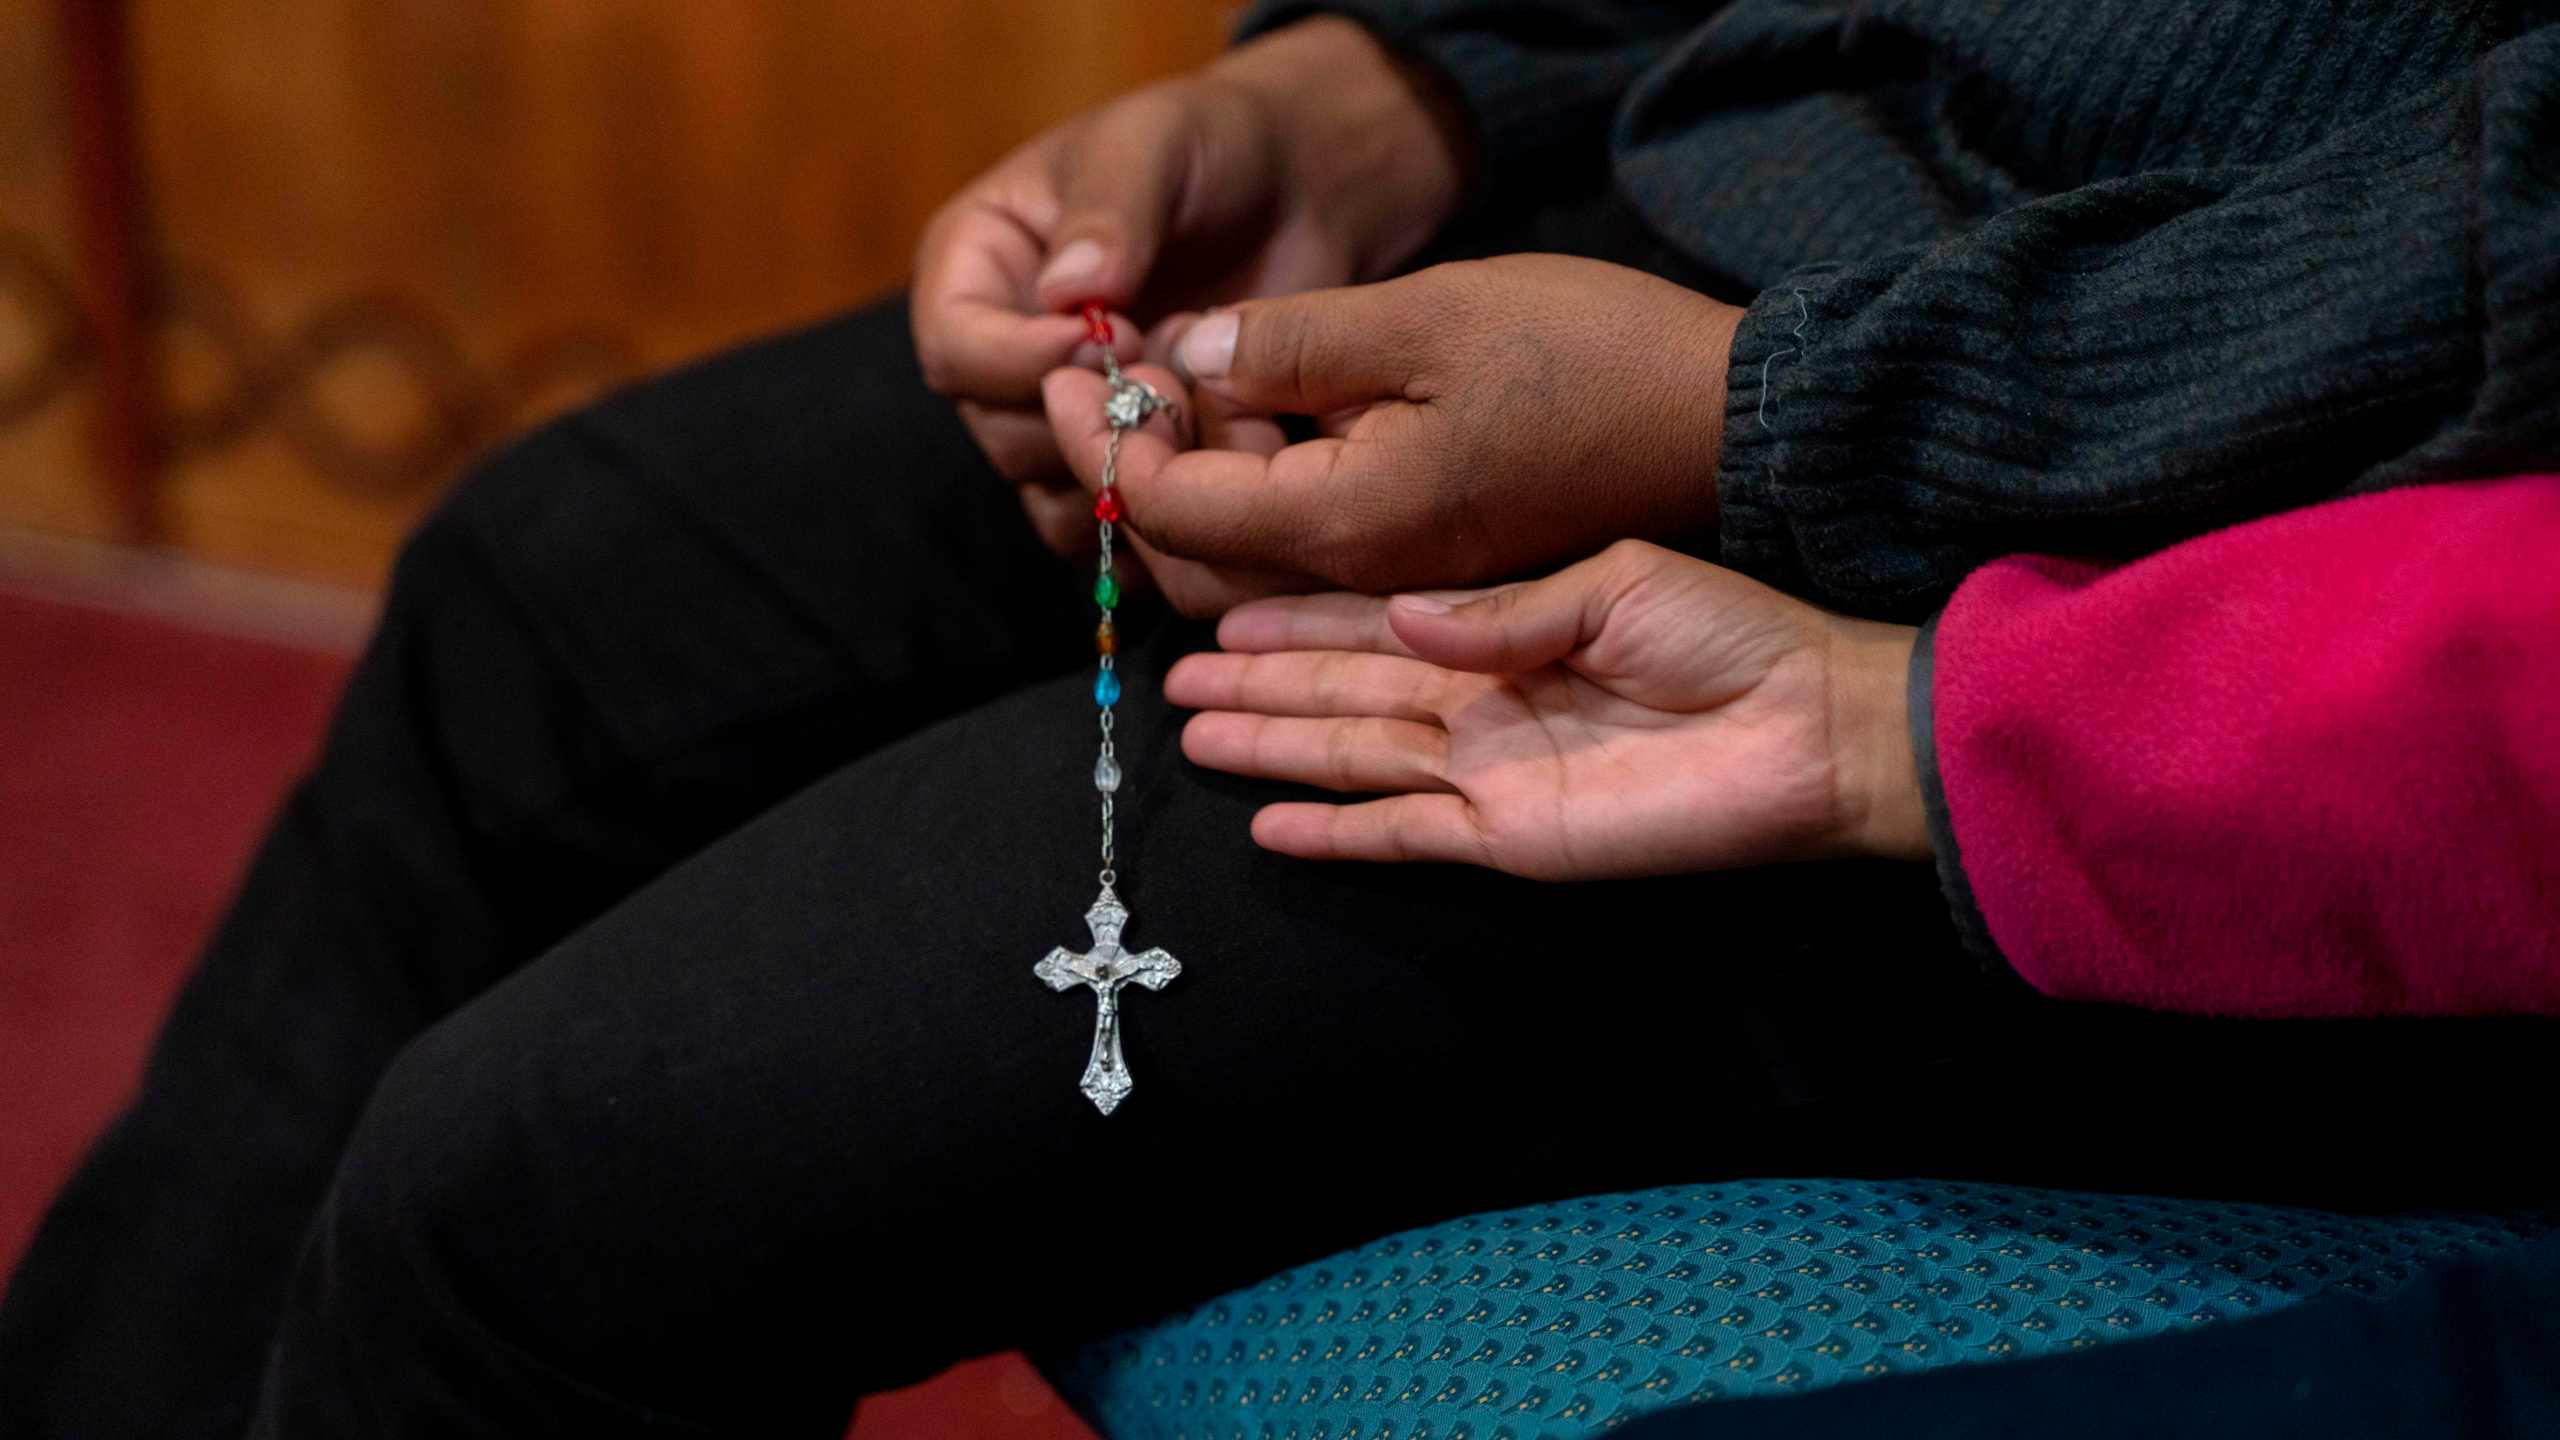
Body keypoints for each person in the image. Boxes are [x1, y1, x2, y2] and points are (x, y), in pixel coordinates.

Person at [4, 3, 2554, 1435]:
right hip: (1765, 250)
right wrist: (1394, 84)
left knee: (539, 1185)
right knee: (543, 601)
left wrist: (1770, 420)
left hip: (2230, 572)